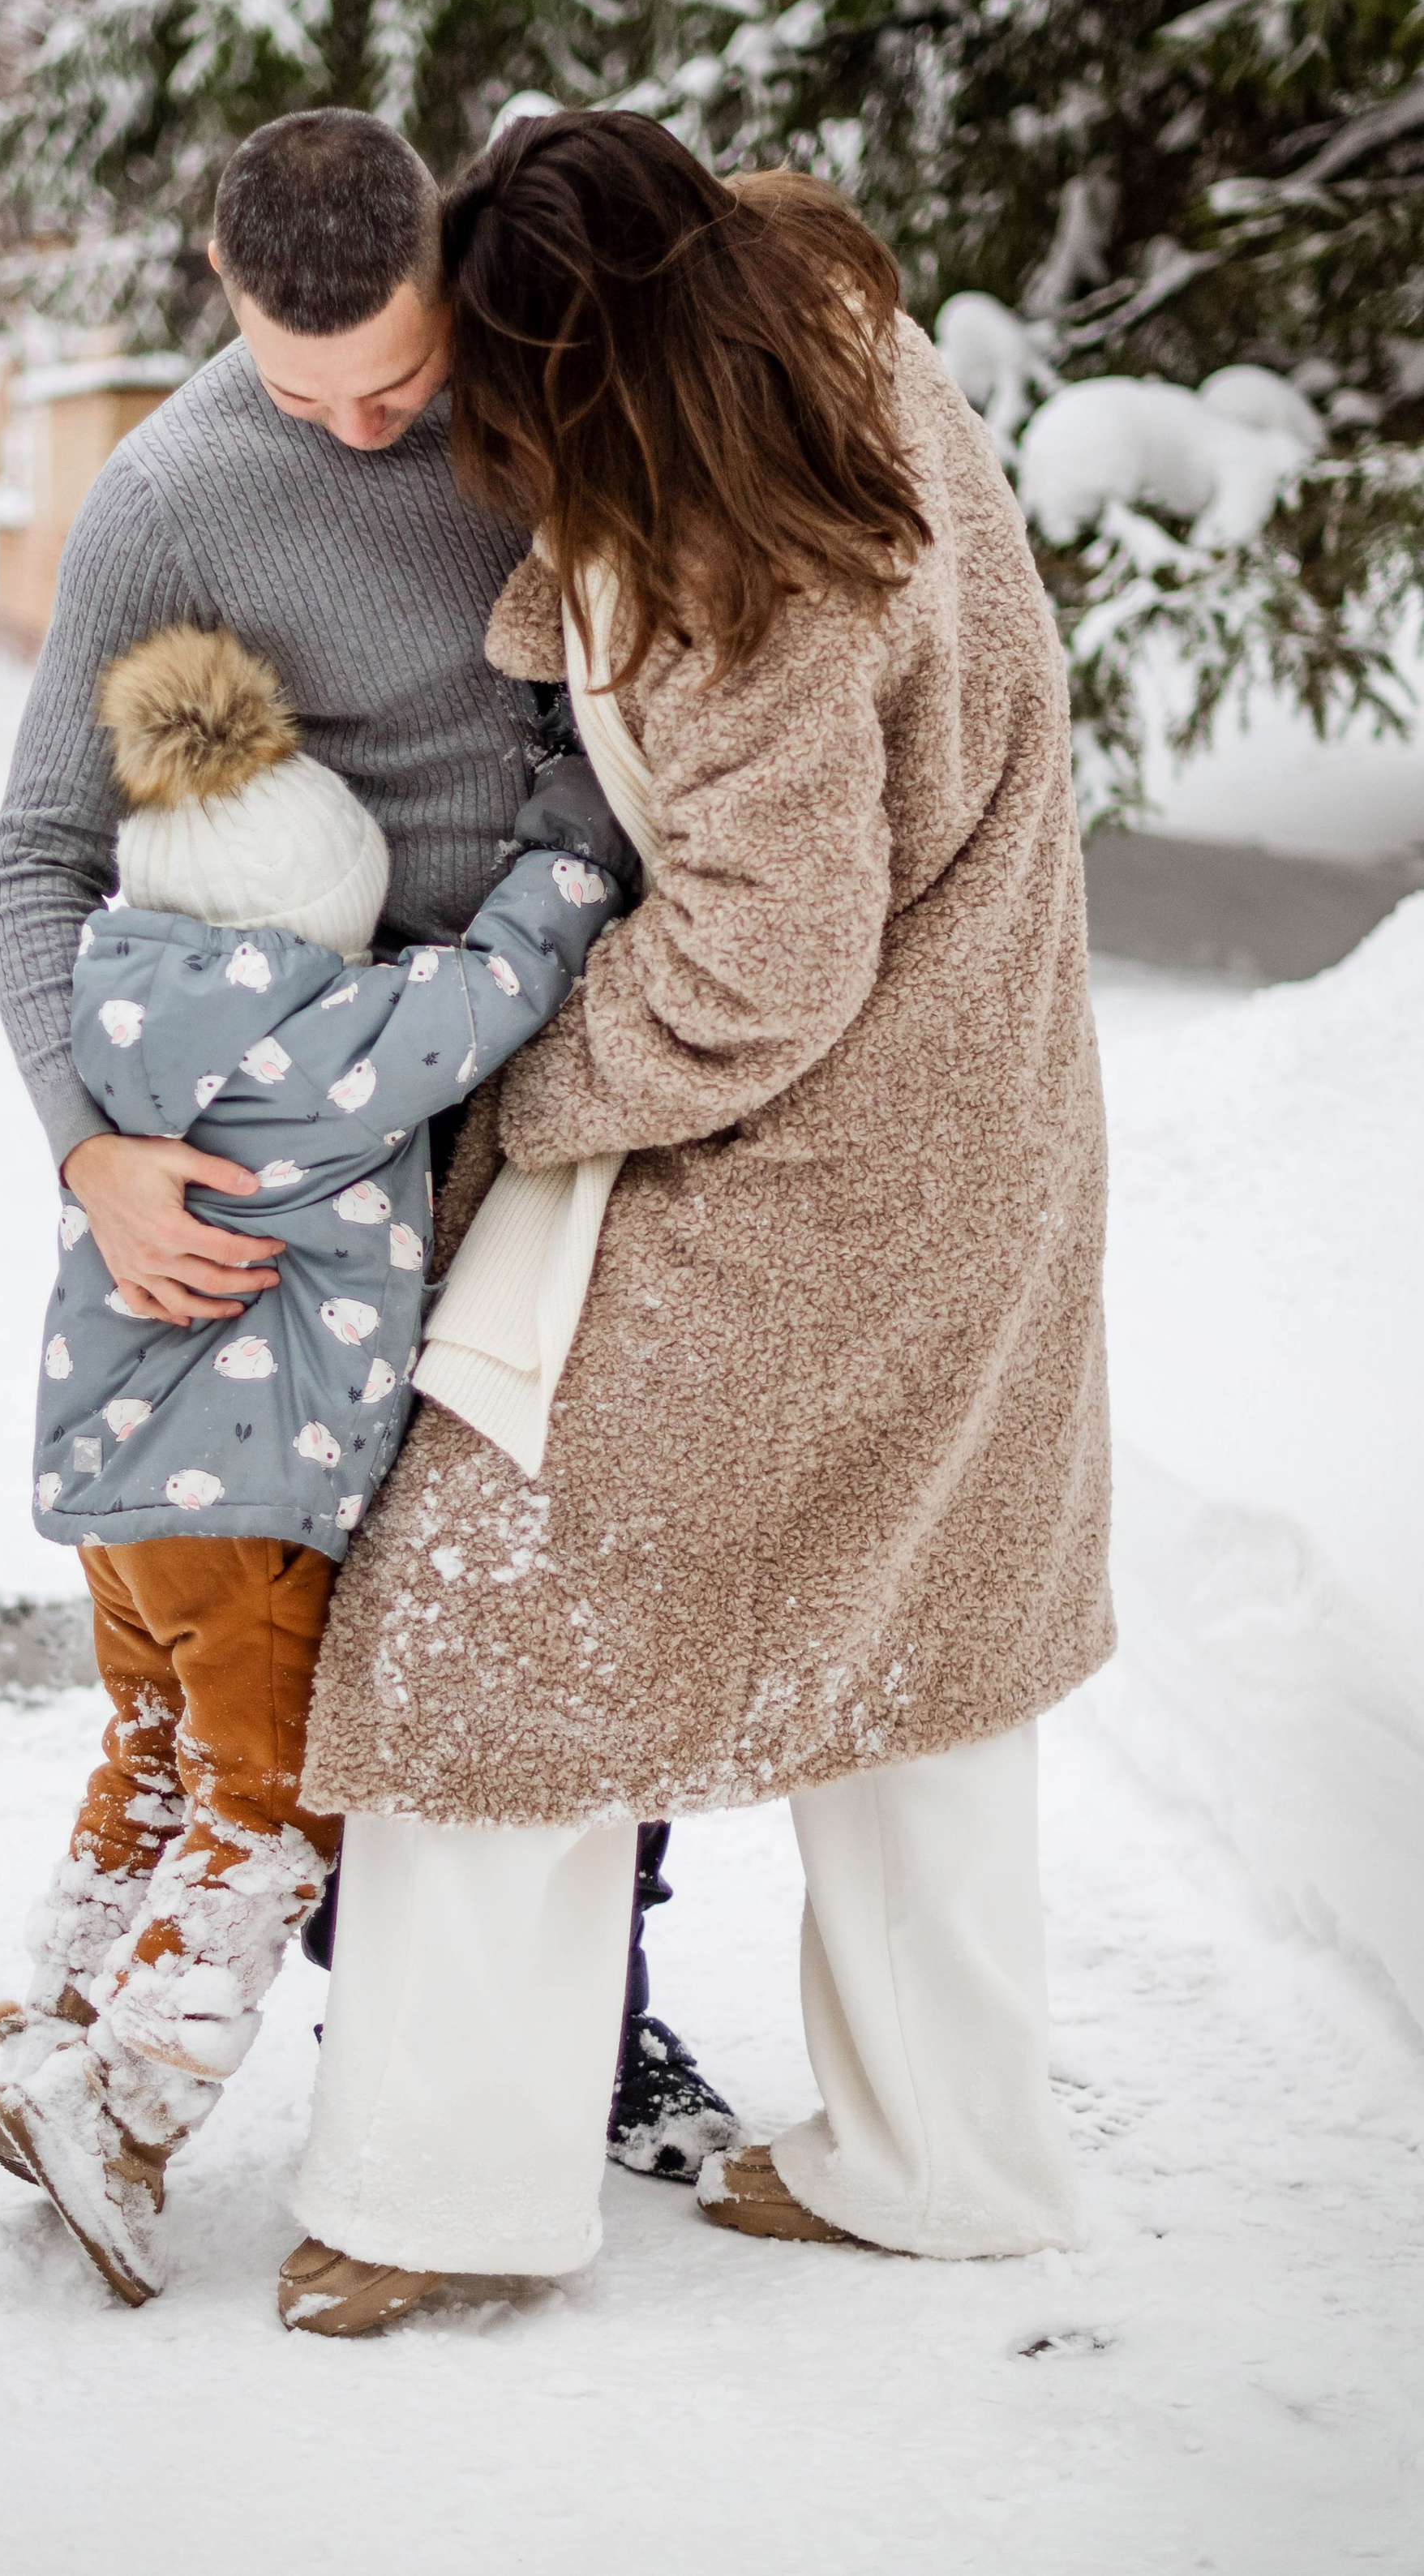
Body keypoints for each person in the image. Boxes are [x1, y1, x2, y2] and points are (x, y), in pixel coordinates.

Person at [282, 112, 1112, 2334]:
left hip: (821, 1150)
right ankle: (947, 2157)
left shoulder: (741, 555)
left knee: (484, 1604)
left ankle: (440, 2194)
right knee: (923, 1648)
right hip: (984, 1117)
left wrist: (499, 1099)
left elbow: (753, 961)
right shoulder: (812, 344)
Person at [0, 106, 736, 2176]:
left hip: (611, 1058)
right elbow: (41, 853)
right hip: (361, 1103)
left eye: (395, 379)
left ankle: (601, 2025)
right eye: (304, 386)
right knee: (369, 1607)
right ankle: (380, 2038)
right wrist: (89, 1151)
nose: (360, 421)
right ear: (229, 306)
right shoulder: (172, 492)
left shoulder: (553, 385)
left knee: (579, 1560)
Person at [0, 621, 631, 2302]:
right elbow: (493, 984)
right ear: (302, 920)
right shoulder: (315, 1036)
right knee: (263, 1807)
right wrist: (573, 822)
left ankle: (51, 2009)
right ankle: (117, 2110)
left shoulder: (109, 1003)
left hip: (126, 1515)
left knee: (146, 1753)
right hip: (251, 1506)